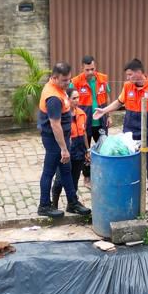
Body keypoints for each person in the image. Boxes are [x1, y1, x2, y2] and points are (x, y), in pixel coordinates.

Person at [95, 58, 148, 206]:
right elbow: (119, 102)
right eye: (127, 75)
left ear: (139, 73)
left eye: (129, 75)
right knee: (129, 161)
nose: (127, 78)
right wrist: (104, 111)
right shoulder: (128, 87)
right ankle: (130, 191)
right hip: (130, 133)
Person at [36, 63, 91, 218]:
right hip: (54, 141)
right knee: (49, 172)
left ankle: (73, 202)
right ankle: (44, 205)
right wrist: (64, 149)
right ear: (54, 78)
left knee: (66, 171)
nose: (68, 83)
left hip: (63, 139)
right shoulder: (53, 97)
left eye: (69, 79)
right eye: (64, 80)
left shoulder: (59, 89)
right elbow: (55, 125)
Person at [51, 88, 89, 209]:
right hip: (66, 149)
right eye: (74, 98)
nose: (77, 101)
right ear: (67, 99)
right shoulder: (62, 117)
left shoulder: (82, 114)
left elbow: (84, 133)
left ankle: (72, 204)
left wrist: (87, 150)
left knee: (75, 178)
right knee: (60, 179)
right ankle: (54, 205)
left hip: (79, 150)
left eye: (78, 98)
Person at [71, 55, 111, 146]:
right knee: (83, 149)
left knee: (103, 148)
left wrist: (108, 116)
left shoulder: (103, 79)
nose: (90, 72)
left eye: (92, 69)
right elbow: (69, 102)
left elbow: (107, 97)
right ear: (82, 68)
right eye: (87, 70)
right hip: (84, 122)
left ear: (95, 67)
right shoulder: (75, 82)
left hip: (101, 121)